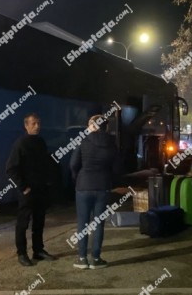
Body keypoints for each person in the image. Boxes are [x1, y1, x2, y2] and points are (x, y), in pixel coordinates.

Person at [70, 114, 121, 269]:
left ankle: (82, 259)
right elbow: (118, 168)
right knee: (99, 224)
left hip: (83, 187)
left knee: (82, 224)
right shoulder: (112, 144)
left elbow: (73, 165)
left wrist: (77, 179)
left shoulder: (83, 141)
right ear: (106, 126)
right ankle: (96, 259)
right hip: (103, 187)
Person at [6, 113, 56, 266]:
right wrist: (24, 188)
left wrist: (48, 183)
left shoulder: (41, 142)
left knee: (39, 221)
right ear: (26, 126)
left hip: (41, 189)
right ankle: (22, 253)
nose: (37, 126)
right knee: (23, 223)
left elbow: (46, 164)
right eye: (33, 123)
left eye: (39, 123)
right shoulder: (20, 144)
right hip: (27, 192)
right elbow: (11, 168)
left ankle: (38, 250)